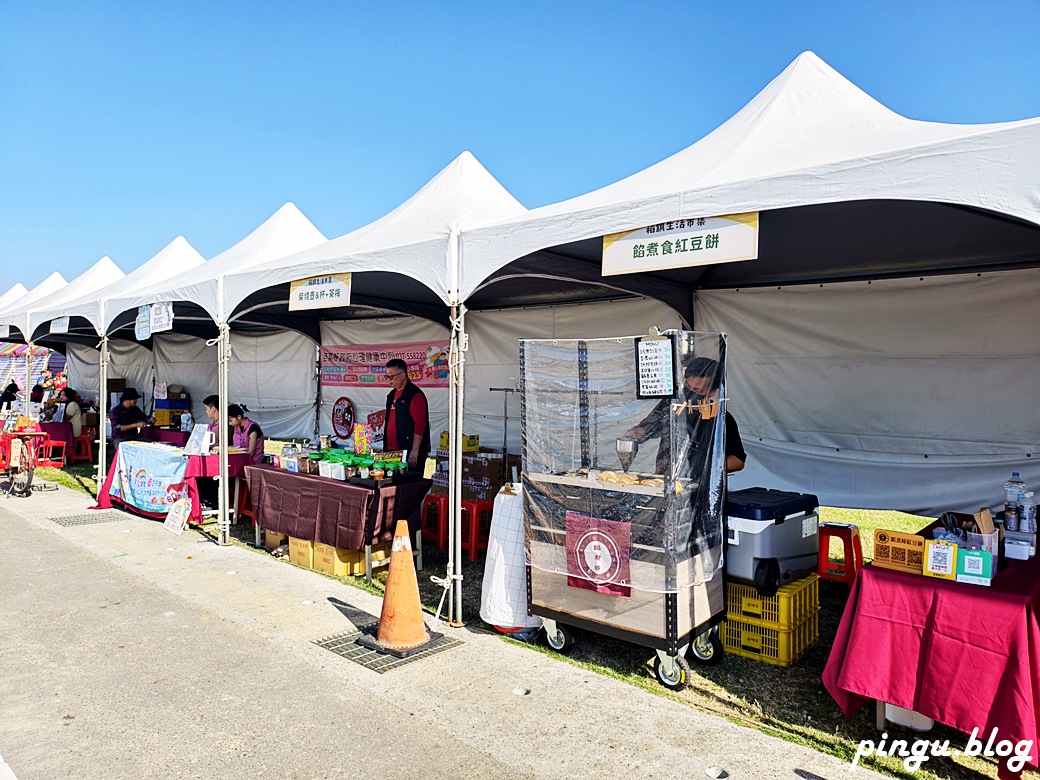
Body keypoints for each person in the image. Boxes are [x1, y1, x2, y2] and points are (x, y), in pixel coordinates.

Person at [625, 357, 746, 476]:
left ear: (712, 392)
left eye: (697, 390)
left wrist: (706, 463)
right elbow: (647, 428)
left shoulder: (720, 418)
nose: (690, 393)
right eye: (687, 387)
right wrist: (633, 434)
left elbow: (738, 461)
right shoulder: (671, 406)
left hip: (702, 489)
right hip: (667, 482)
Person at [383, 358, 430, 469]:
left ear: (403, 375)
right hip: (391, 449)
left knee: (407, 483)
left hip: (408, 450)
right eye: (387, 376)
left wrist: (414, 451)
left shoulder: (414, 395)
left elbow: (420, 424)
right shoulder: (391, 395)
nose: (389, 380)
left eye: (391, 376)